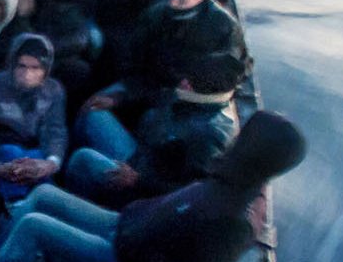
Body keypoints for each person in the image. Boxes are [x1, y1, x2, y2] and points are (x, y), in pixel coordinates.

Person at [0, 110, 306, 262]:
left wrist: (137, 249)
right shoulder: (230, 176)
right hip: (124, 226)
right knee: (44, 195)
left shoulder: (237, 219)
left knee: (34, 226)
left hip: (124, 259)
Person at [68, 51, 243, 205]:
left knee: (83, 159)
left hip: (143, 189)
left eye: (191, 82)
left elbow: (193, 192)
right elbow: (154, 94)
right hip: (140, 155)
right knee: (93, 112)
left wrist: (139, 181)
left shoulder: (211, 135)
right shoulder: (187, 95)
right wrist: (119, 98)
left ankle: (80, 208)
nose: (183, 82)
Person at [0, 34, 68, 219]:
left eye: (35, 68)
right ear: (12, 64)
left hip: (37, 160)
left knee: (37, 160)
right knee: (10, 151)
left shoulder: (53, 90)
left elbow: (55, 131)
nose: (27, 74)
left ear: (45, 69)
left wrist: (50, 163)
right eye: (22, 66)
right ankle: (14, 210)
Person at [121, 0, 250, 99]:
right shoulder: (155, 14)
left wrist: (197, 82)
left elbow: (236, 67)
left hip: (201, 94)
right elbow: (134, 54)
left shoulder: (225, 25)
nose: (173, 2)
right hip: (156, 86)